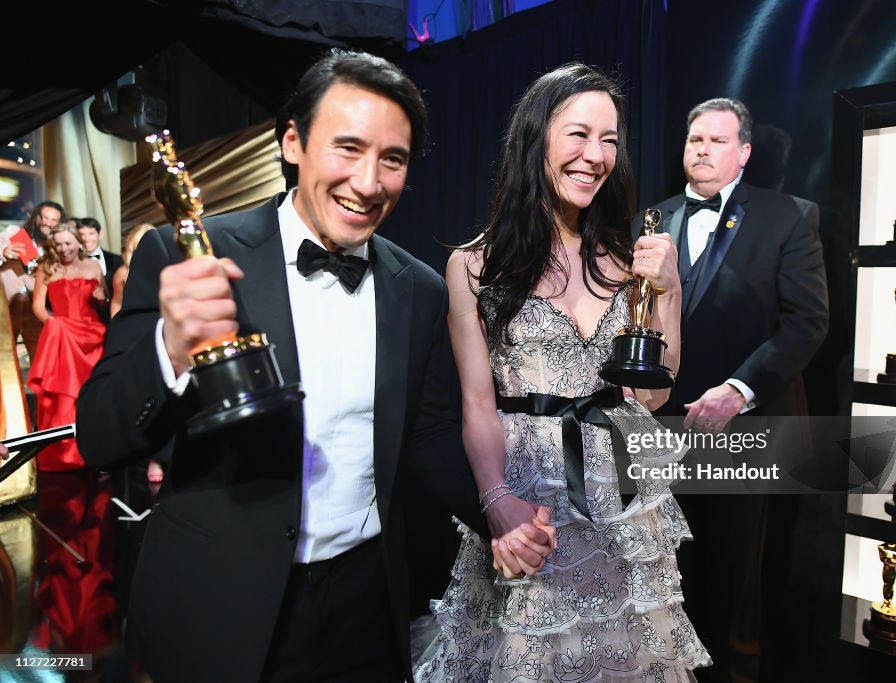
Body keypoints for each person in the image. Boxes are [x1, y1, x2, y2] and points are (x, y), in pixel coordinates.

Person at [75, 50, 553, 683]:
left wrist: (496, 510)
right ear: (292, 142)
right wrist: (171, 347)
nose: (367, 182)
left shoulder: (418, 289)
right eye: (347, 149)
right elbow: (101, 434)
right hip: (218, 608)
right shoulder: (187, 253)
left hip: (365, 609)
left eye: (393, 159)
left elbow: (429, 431)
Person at [415, 63, 710, 682]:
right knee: (532, 653)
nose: (594, 155)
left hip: (619, 494)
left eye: (609, 140)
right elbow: (475, 404)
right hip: (530, 490)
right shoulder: (474, 266)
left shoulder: (628, 260)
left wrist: (670, 294)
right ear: (537, 138)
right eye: (578, 134)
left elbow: (650, 398)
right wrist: (496, 502)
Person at [637, 98, 828, 681]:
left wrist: (740, 390)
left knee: (733, 572)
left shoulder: (789, 216)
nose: (702, 149)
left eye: (717, 141)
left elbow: (807, 322)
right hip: (660, 428)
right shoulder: (654, 218)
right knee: (664, 565)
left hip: (744, 427)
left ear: (744, 152)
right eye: (695, 139)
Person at [25, 223, 106, 471]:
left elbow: (104, 299)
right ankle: (65, 456)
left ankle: (98, 452)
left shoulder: (93, 267)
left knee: (93, 396)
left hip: (92, 337)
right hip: (63, 337)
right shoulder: (46, 269)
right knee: (62, 399)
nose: (63, 248)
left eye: (68, 242)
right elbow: (38, 306)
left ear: (78, 242)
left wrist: (102, 297)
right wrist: (54, 325)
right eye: (58, 243)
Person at [0, 200, 65, 362]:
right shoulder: (15, 233)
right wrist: (4, 252)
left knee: (40, 359)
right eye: (43, 217)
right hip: (7, 308)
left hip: (36, 309)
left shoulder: (58, 247)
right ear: (36, 217)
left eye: (53, 220)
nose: (46, 223)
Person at [110, 222, 154, 318]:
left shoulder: (168, 267)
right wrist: (116, 329)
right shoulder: (123, 273)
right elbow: (117, 303)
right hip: (136, 323)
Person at [77, 217, 124, 295]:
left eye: (91, 233)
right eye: (82, 235)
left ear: (100, 234)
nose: (87, 239)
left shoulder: (117, 260)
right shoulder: (74, 262)